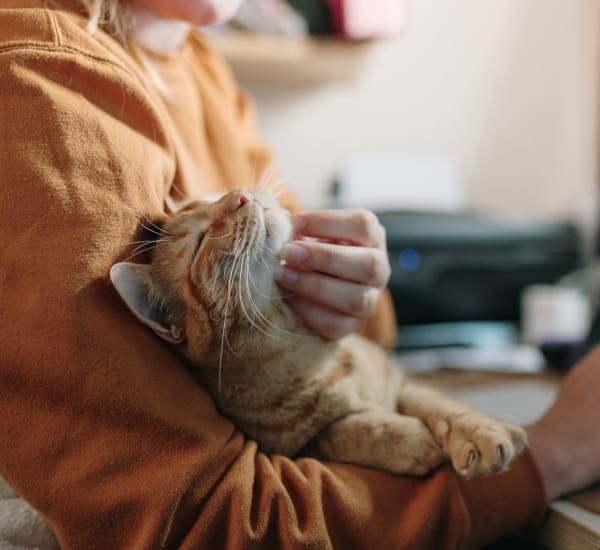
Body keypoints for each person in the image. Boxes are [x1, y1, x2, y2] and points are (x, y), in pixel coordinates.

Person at [1, 0, 599, 547]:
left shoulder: (197, 63)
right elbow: (207, 523)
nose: (235, 202)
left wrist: (353, 295)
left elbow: (350, 353)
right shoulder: (36, 90)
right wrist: (552, 455)